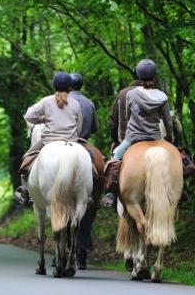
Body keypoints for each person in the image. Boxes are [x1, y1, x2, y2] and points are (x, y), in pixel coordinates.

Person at [102, 59, 173, 209]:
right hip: (155, 137)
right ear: (154, 77)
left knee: (115, 158)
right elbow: (168, 122)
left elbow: (127, 118)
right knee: (177, 158)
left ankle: (112, 195)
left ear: (139, 77)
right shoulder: (162, 96)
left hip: (133, 138)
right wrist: (169, 138)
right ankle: (180, 191)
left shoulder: (131, 94)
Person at [13, 71, 83, 204]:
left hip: (48, 141)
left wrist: (42, 119)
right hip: (71, 142)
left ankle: (25, 192)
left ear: (54, 86)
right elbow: (79, 127)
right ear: (70, 87)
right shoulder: (75, 103)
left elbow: (28, 116)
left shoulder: (46, 101)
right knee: (90, 165)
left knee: (25, 162)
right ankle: (88, 194)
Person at [68, 73, 99, 270]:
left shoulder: (59, 100)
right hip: (85, 145)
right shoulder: (89, 103)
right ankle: (81, 253)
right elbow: (95, 128)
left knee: (32, 159)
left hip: (63, 140)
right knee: (104, 166)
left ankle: (26, 188)